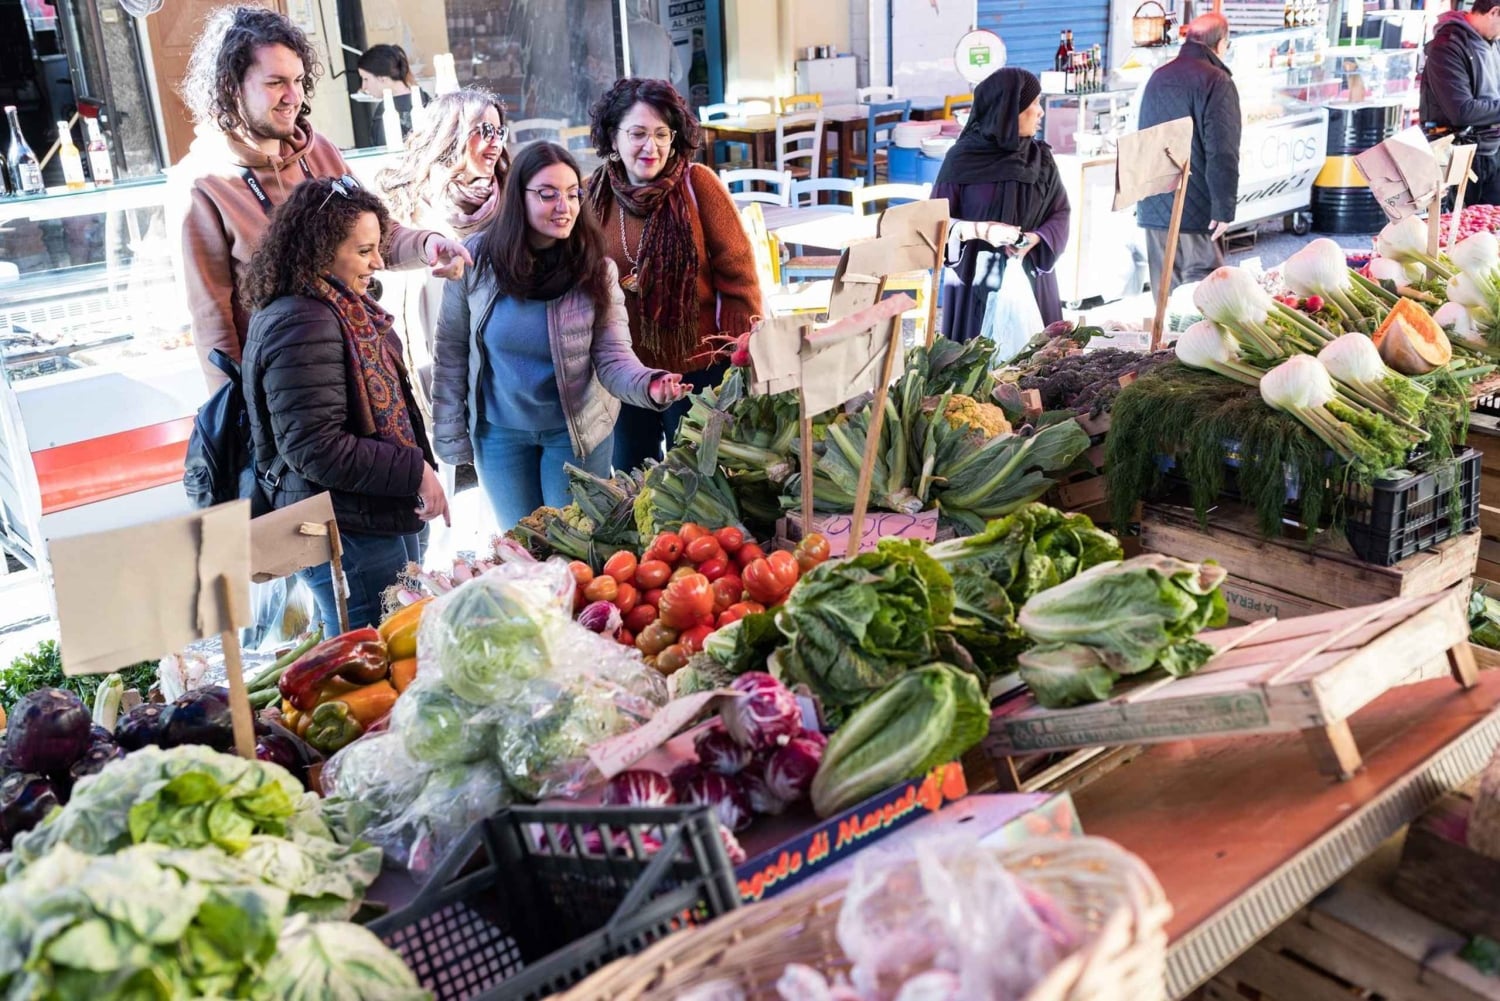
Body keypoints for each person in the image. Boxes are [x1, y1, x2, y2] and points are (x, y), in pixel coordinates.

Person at [170, 5, 469, 389]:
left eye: (297, 80)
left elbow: (378, 236)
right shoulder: (201, 184)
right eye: (276, 82)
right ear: (231, 86)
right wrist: (239, 418)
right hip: (290, 392)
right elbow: (213, 321)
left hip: (364, 367)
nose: (293, 96)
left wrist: (428, 244)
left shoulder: (320, 151)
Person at [432, 142, 686, 529]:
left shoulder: (594, 269)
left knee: (575, 548)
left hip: (576, 434)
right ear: (519, 196)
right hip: (499, 435)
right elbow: (450, 350)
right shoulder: (477, 260)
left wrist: (648, 385)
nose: (563, 206)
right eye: (547, 195)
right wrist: (450, 433)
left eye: (572, 194)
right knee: (520, 549)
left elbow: (614, 355)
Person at [241, 177, 448, 632]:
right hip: (343, 526)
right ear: (319, 250)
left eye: (377, 247)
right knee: (370, 654)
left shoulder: (336, 306)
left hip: (368, 511)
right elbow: (315, 447)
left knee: (397, 641)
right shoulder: (302, 322)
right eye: (363, 251)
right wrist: (413, 469)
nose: (377, 261)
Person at [585, 77, 762, 471]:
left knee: (701, 479)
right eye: (638, 134)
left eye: (662, 134)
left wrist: (736, 353)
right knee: (636, 481)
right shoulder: (589, 197)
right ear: (613, 139)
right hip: (625, 378)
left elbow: (739, 275)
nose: (653, 146)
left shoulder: (699, 186)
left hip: (699, 372)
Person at [378, 89, 511, 420]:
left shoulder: (513, 196)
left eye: (498, 131)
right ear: (451, 135)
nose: (494, 142)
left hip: (500, 343)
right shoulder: (411, 203)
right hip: (434, 340)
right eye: (483, 131)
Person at [933, 67, 1070, 342]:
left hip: (1030, 279)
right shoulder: (961, 160)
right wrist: (979, 231)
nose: (1040, 111)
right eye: (1034, 104)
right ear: (1008, 111)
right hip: (977, 282)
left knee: (1035, 370)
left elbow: (1060, 212)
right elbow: (934, 224)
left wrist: (1036, 238)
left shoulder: (1040, 158)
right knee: (977, 374)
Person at [1135, 12, 1241, 291]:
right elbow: (1223, 151)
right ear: (1220, 44)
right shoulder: (1217, 81)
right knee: (1203, 295)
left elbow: (1142, 140)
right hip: (1196, 208)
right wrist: (1224, 209)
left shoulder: (1158, 76)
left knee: (1165, 298)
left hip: (1153, 204)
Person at [1421, 0, 1500, 206]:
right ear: (1494, 11)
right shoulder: (1448, 45)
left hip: (1492, 152)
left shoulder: (1492, 42)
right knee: (1463, 228)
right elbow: (1462, 111)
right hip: (1460, 155)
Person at [358, 43, 430, 147]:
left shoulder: (384, 113)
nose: (364, 86)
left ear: (382, 78)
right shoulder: (427, 99)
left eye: (366, 79)